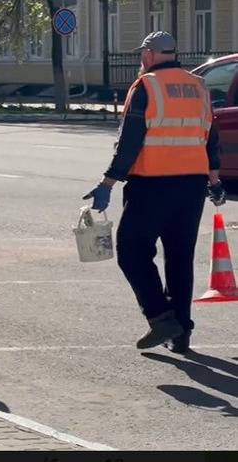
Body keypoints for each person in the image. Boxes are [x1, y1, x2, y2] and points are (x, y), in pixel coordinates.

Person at [83, 31, 225, 354]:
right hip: (191, 186)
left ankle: (161, 317)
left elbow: (130, 140)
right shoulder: (198, 86)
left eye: (141, 55)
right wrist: (214, 181)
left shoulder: (146, 86)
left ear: (148, 55)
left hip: (151, 184)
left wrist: (108, 182)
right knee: (179, 257)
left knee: (131, 251)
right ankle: (181, 333)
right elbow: (210, 137)